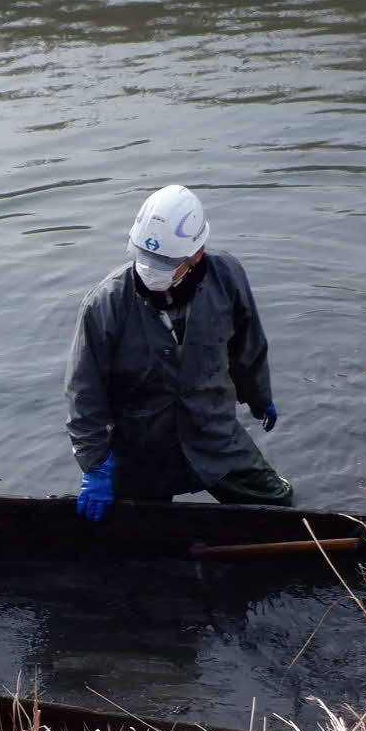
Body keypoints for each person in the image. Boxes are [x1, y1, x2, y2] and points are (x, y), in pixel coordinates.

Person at [64, 184, 291, 520]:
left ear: (196, 253)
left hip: (214, 429)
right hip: (140, 444)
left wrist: (258, 396)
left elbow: (247, 343)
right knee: (137, 530)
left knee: (278, 508)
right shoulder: (105, 304)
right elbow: (84, 393)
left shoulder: (226, 277)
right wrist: (94, 464)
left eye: (165, 261)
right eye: (145, 256)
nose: (151, 268)